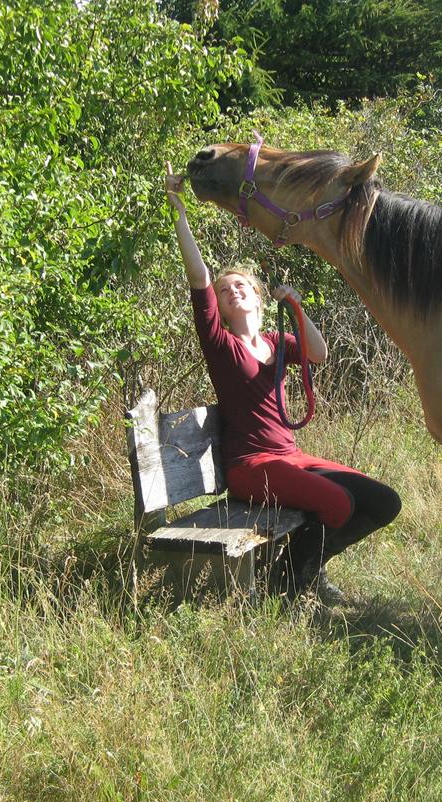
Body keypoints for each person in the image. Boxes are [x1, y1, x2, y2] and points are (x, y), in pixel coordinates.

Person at [165, 164, 401, 602]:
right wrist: (178, 209)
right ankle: (292, 583)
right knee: (338, 504)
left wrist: (293, 303)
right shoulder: (221, 344)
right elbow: (198, 278)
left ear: (257, 294)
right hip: (251, 467)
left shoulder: (277, 340)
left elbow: (319, 353)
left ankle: (305, 570)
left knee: (384, 501)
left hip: (290, 457)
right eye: (225, 291)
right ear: (219, 306)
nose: (232, 291)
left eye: (241, 286)